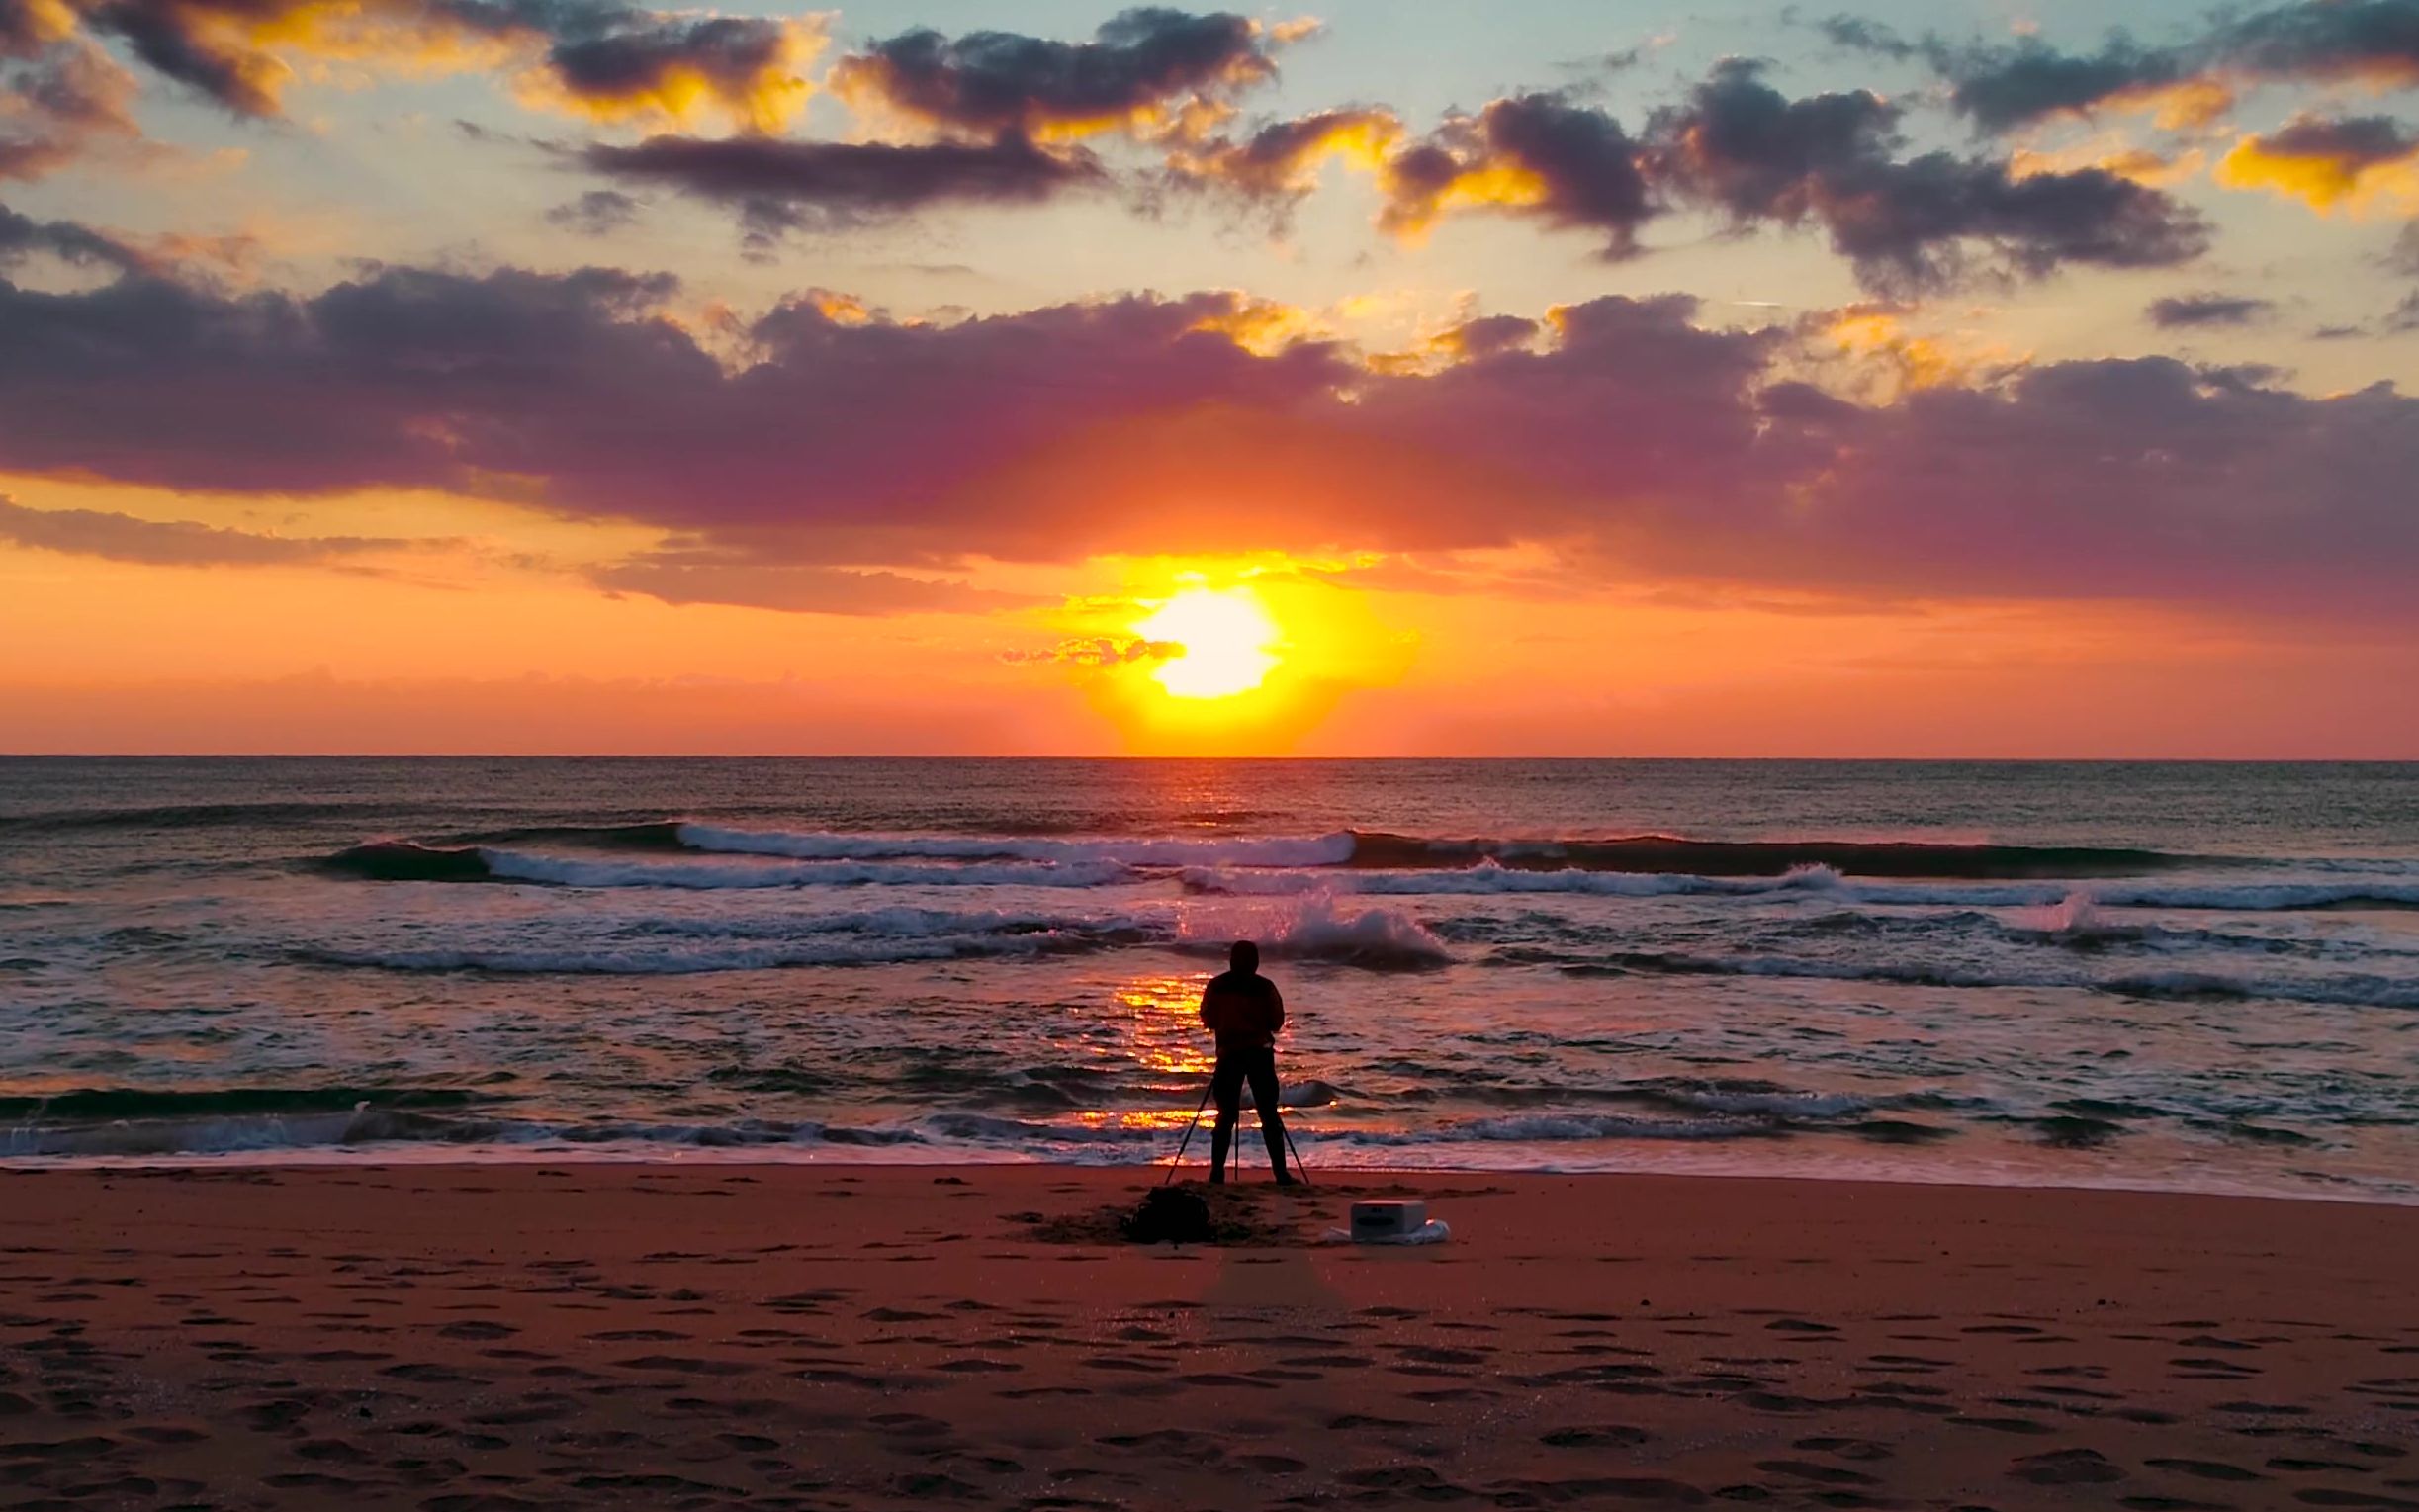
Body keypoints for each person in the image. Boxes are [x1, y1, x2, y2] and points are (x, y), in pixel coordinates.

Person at [1198, 939, 1295, 1185]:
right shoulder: (1265, 987)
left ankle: (1217, 1173)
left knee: (1225, 1114)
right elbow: (1276, 1022)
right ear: (1256, 962)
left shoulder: (1217, 986)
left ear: (1231, 960)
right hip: (1259, 1054)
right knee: (1269, 1113)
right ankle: (1280, 1174)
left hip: (1229, 1054)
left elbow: (1207, 1018)